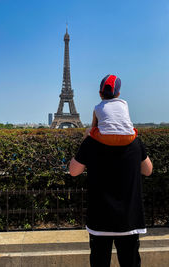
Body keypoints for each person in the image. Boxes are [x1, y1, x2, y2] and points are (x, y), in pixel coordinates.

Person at [69, 112, 153, 266]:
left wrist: (86, 138)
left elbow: (74, 171)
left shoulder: (90, 143)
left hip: (100, 217)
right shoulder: (135, 142)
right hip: (129, 218)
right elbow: (148, 170)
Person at [87, 74, 138, 146]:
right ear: (118, 94)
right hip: (128, 138)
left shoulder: (97, 107)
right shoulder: (124, 104)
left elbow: (94, 127)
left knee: (88, 131)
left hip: (106, 138)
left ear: (100, 93)